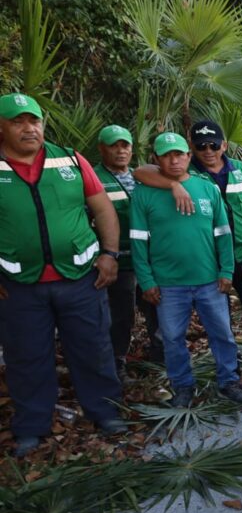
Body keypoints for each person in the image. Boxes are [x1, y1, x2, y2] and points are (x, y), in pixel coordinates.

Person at [0, 93, 124, 457]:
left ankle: (105, 412)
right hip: (19, 285)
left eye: (34, 120)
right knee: (26, 356)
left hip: (81, 279)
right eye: (18, 121)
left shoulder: (69, 159)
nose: (29, 128)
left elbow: (103, 209)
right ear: (2, 127)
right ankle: (31, 425)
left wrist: (110, 254)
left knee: (93, 348)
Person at [130, 132, 242, 408]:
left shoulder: (207, 188)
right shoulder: (144, 193)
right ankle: (182, 385)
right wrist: (146, 280)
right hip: (168, 284)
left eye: (179, 154)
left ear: (188, 156)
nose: (174, 160)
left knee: (222, 333)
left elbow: (223, 233)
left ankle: (228, 381)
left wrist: (226, 271)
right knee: (172, 338)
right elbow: (138, 240)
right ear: (156, 159)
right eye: (166, 155)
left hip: (209, 280)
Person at [133, 120, 242, 305]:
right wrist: (173, 184)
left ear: (224, 145)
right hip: (209, 259)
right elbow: (140, 172)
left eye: (214, 145)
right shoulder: (183, 169)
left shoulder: (241, 168)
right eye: (201, 146)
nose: (208, 151)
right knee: (218, 312)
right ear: (191, 148)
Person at [94, 124, 156, 378]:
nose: (121, 151)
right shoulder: (94, 179)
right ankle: (116, 361)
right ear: (102, 149)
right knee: (120, 314)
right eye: (114, 146)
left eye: (125, 145)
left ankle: (160, 357)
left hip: (147, 259)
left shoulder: (141, 177)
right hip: (118, 261)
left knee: (155, 307)